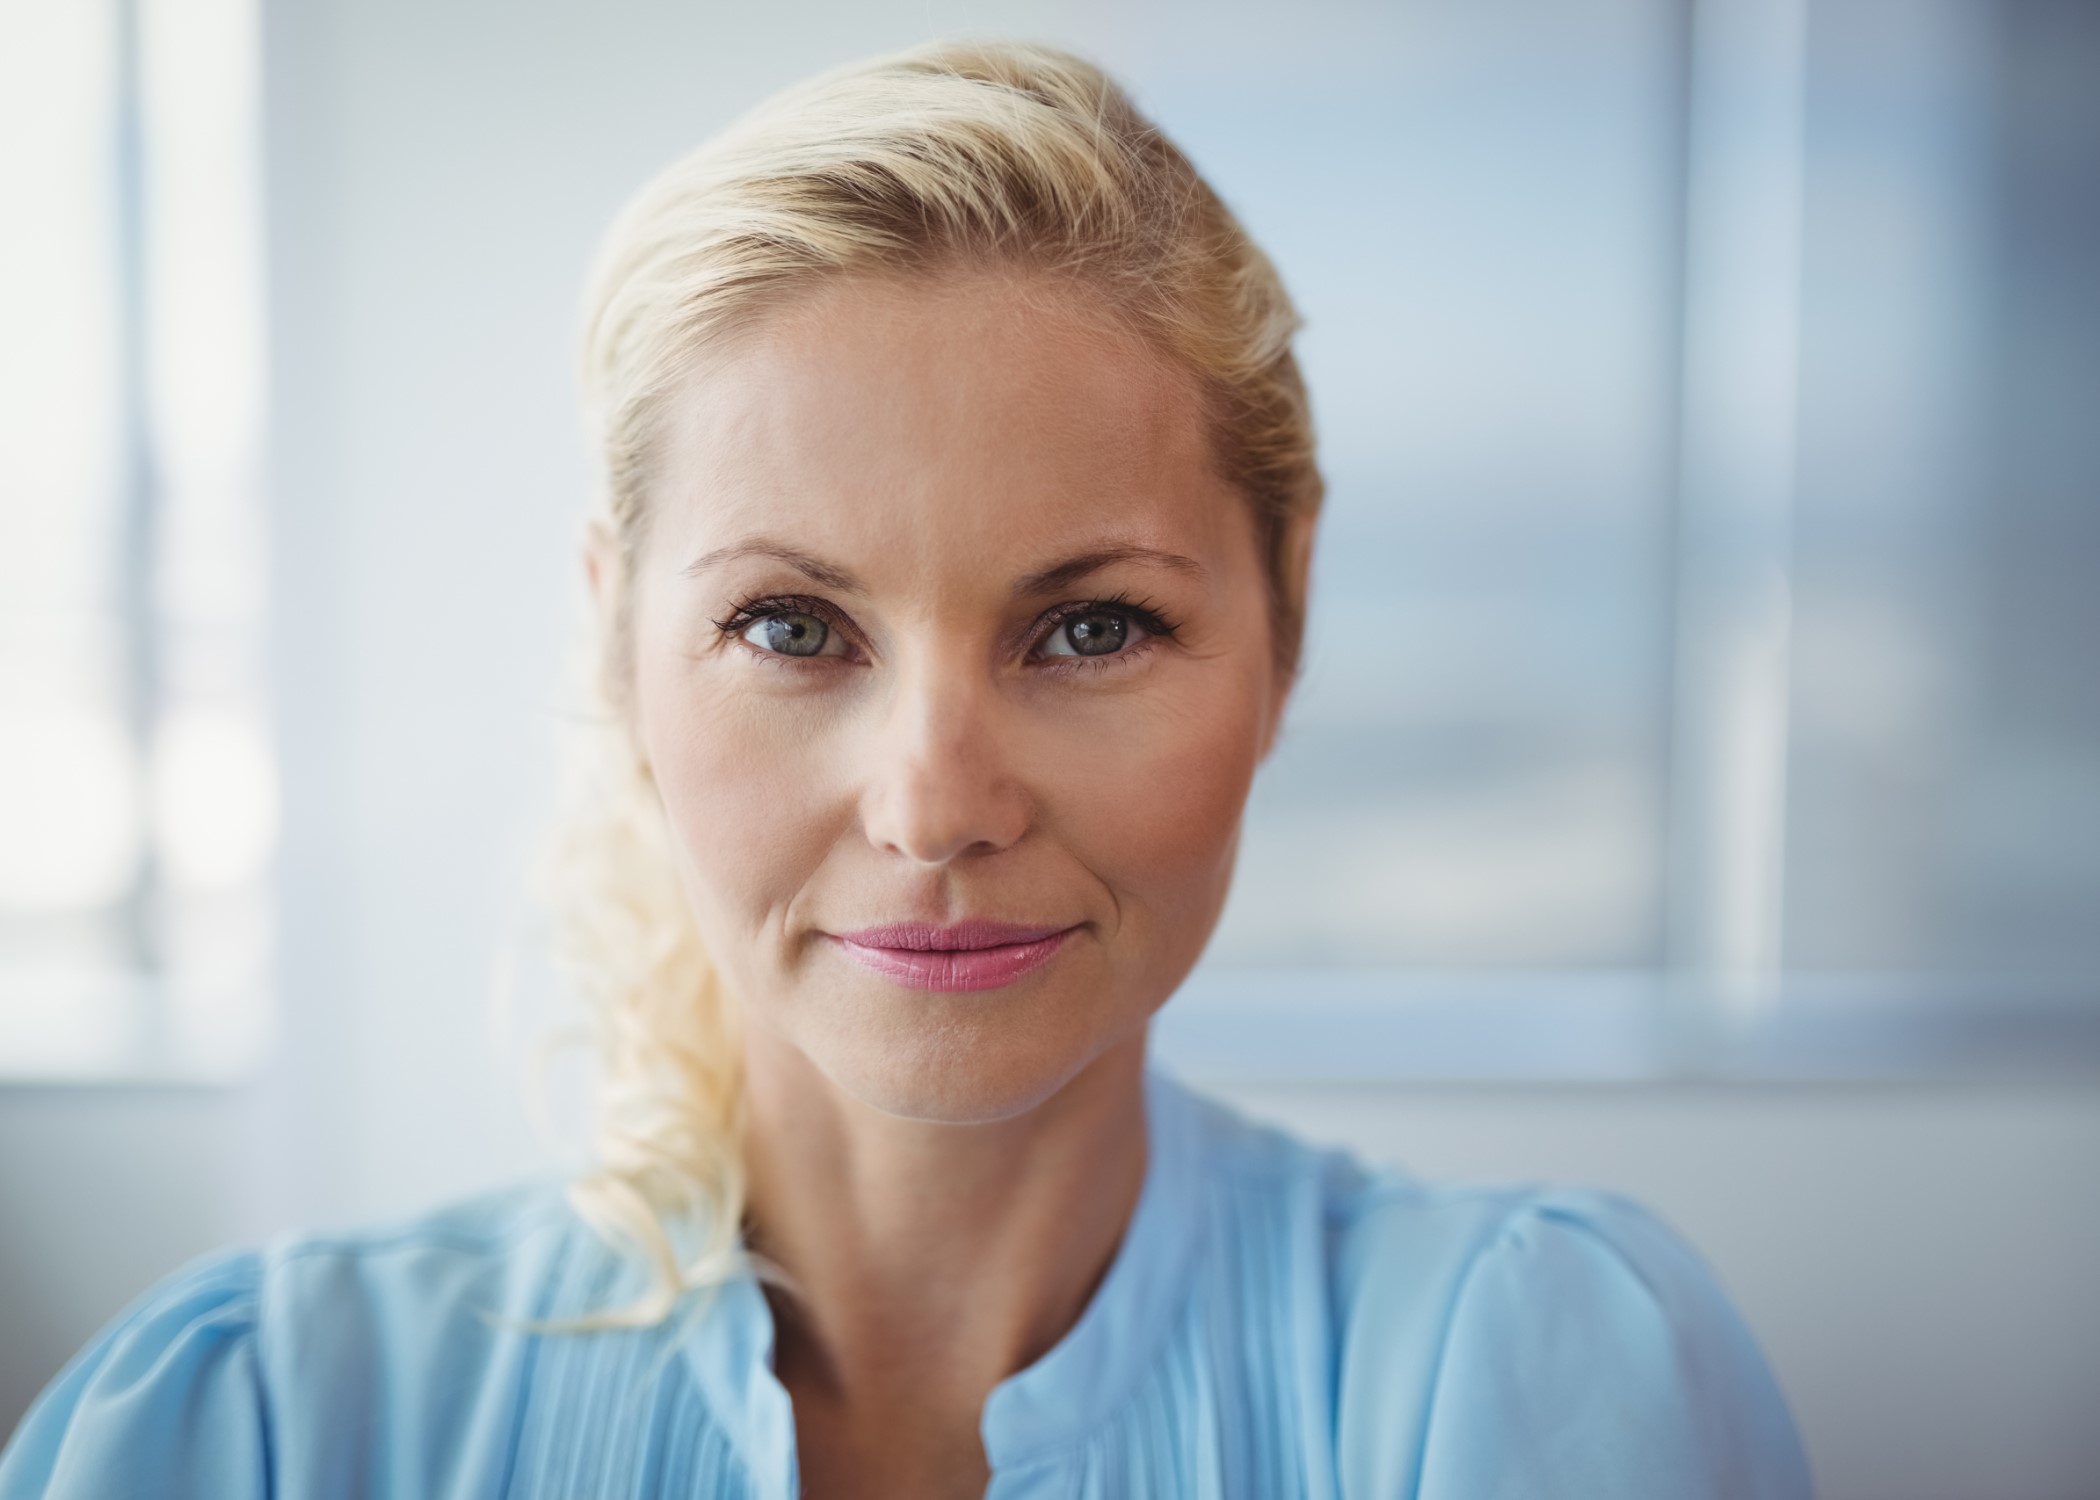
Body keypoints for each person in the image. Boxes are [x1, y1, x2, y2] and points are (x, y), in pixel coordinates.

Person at [0, 38, 1813, 1500]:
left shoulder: (1523, 1386)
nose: (936, 804)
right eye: (794, 629)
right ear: (618, 649)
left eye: (1091, 626)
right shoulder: (257, 1434)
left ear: (1289, 612)